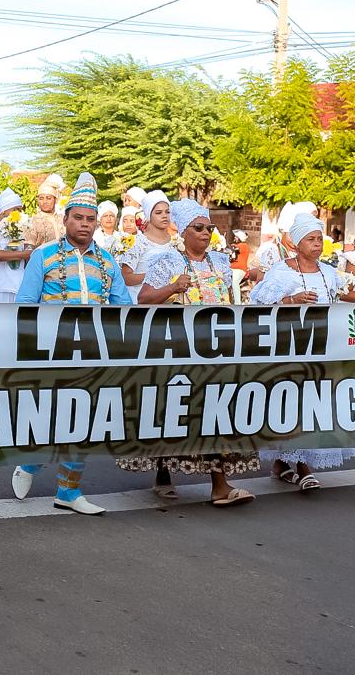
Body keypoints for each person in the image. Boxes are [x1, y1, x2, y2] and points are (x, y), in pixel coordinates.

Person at [119, 198, 257, 505]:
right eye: (199, 228)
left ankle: (219, 484)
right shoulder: (167, 261)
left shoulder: (220, 262)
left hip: (217, 349)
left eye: (209, 227)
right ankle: (164, 472)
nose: (206, 233)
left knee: (216, 411)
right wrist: (172, 288)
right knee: (175, 412)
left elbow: (232, 302)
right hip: (178, 350)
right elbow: (144, 298)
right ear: (183, 231)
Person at [11, 173, 131, 516]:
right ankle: (31, 464)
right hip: (51, 351)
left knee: (86, 421)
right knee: (51, 417)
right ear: (65, 220)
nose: (85, 224)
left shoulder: (108, 262)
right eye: (78, 217)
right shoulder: (44, 256)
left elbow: (124, 310)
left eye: (91, 219)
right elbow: (25, 304)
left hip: (94, 353)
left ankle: (68, 490)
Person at [250, 214, 355, 488]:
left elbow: (342, 302)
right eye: (311, 239)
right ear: (297, 243)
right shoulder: (281, 271)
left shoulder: (330, 273)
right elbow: (257, 303)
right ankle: (301, 464)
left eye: (319, 239)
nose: (317, 244)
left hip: (321, 351)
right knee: (291, 405)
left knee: (313, 406)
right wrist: (290, 300)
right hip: (289, 350)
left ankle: (282, 461)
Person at [117, 190, 171, 300]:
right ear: (148, 215)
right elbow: (126, 277)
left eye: (167, 212)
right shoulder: (139, 242)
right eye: (158, 212)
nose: (164, 216)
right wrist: (152, 276)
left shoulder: (176, 242)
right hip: (141, 304)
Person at [25, 174, 65, 247]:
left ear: (55, 200)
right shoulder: (33, 221)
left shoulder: (63, 219)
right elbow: (28, 249)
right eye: (41, 198)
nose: (44, 202)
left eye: (48, 198)